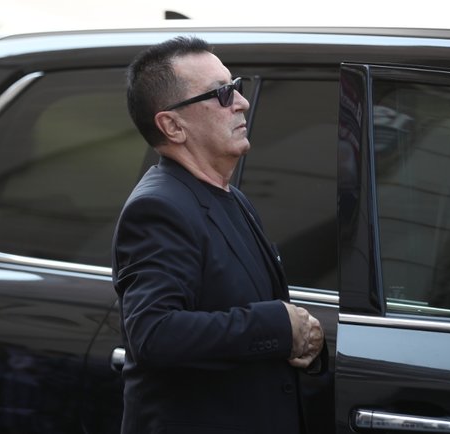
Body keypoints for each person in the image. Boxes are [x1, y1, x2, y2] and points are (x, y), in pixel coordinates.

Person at [112, 36, 327, 434]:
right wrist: (278, 327)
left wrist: (304, 337)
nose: (241, 102)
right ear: (172, 126)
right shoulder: (158, 208)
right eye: (222, 93)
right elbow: (154, 334)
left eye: (236, 86)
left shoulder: (229, 196)